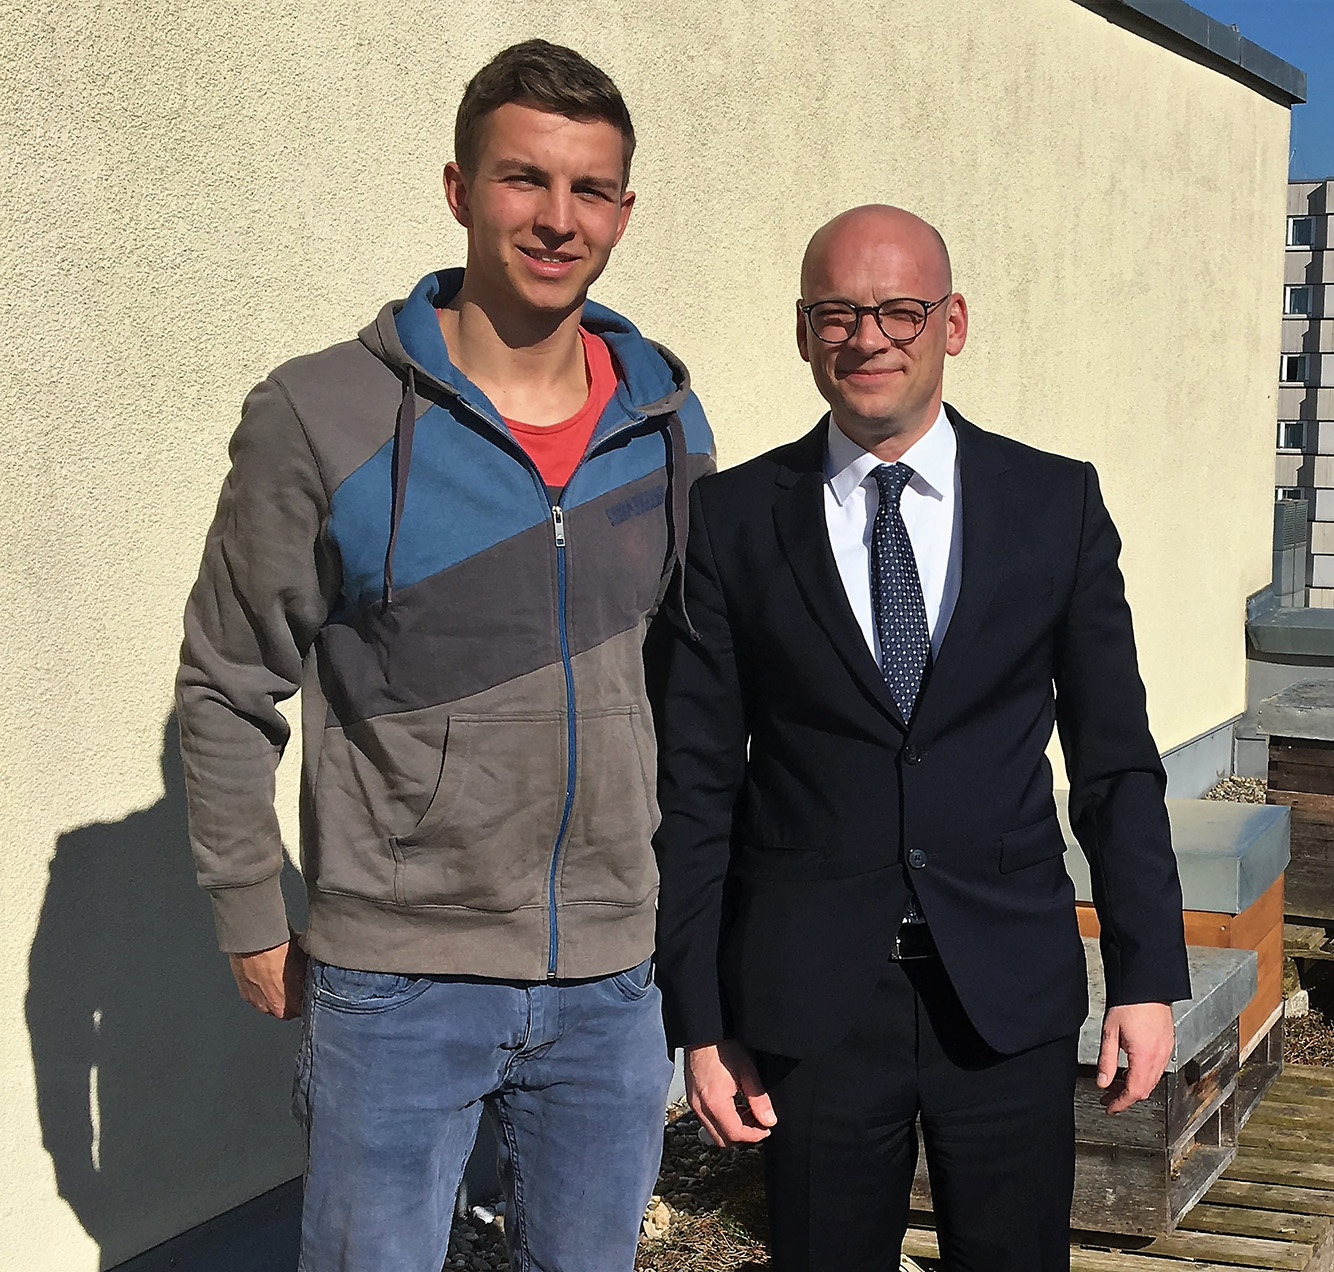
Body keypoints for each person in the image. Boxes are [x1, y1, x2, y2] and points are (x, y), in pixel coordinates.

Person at [175, 40, 713, 1272]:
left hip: (610, 979)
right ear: (459, 188)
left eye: (590, 191)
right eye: (525, 179)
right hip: (397, 980)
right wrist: (252, 911)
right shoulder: (320, 414)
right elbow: (226, 679)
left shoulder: (667, 425)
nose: (557, 219)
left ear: (623, 213)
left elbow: (685, 684)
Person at [655, 204, 1189, 1272]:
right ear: (803, 331)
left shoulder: (1053, 504)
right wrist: (700, 1021)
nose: (868, 338)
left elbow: (1114, 760)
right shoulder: (731, 522)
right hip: (812, 1009)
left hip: (1002, 996)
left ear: (951, 323)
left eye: (898, 310)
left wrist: (1144, 973)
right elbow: (697, 787)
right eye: (837, 313)